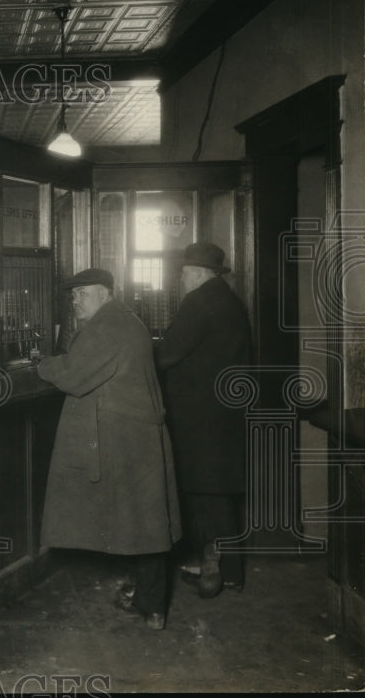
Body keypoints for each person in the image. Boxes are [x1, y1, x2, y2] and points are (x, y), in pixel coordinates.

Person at [36, 268, 181, 631]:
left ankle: (152, 606)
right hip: (134, 437)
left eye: (83, 294)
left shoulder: (108, 325)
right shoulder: (125, 319)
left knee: (142, 525)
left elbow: (73, 374)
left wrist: (41, 364)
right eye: (73, 296)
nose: (75, 302)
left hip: (126, 440)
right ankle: (150, 603)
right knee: (141, 522)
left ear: (104, 294)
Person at [155, 242, 252, 598]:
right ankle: (227, 571)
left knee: (205, 494)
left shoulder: (198, 302)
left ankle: (218, 569)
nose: (180, 279)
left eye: (183, 272)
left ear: (196, 273)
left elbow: (167, 354)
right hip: (222, 415)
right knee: (217, 494)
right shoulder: (229, 300)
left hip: (199, 419)